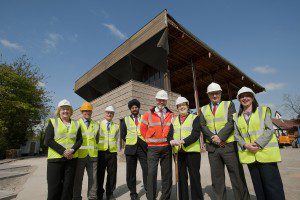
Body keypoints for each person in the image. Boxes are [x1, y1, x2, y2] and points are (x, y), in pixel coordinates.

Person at [199, 82, 250, 200]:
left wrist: (220, 137)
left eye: (217, 93)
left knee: (236, 175)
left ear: (220, 93)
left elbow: (231, 122)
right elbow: (202, 125)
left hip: (228, 146)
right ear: (208, 95)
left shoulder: (229, 104)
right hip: (212, 147)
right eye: (212, 94)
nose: (215, 96)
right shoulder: (203, 109)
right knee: (217, 178)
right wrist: (213, 138)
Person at [234, 86, 285, 200]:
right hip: (250, 155)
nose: (245, 98)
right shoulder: (237, 117)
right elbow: (237, 135)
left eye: (247, 95)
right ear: (239, 100)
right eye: (242, 97)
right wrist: (246, 145)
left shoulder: (262, 110)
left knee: (273, 187)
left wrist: (257, 144)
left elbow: (269, 129)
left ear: (252, 97)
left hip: (265, 154)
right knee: (259, 188)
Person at [44, 99, 83, 200]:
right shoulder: (53, 122)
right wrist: (63, 151)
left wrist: (72, 150)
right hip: (55, 160)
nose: (65, 111)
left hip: (71, 160)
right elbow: (48, 140)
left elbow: (80, 140)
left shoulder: (76, 123)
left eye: (67, 109)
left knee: (68, 188)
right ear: (59, 111)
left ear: (71, 111)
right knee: (54, 188)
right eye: (63, 109)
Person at [140, 90, 174, 200]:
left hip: (167, 148)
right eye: (159, 99)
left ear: (166, 101)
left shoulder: (171, 114)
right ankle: (151, 197)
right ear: (156, 100)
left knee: (167, 174)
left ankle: (165, 197)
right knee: (151, 173)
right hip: (152, 148)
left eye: (163, 100)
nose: (161, 102)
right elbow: (142, 129)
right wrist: (149, 139)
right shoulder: (148, 114)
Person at [168, 96, 204, 200]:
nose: (181, 107)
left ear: (187, 106)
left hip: (192, 152)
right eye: (179, 105)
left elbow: (196, 134)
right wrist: (171, 140)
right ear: (177, 107)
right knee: (181, 178)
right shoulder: (173, 120)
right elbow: (170, 134)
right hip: (178, 153)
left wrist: (183, 141)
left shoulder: (195, 117)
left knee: (194, 177)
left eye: (183, 104)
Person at [120, 99, 148, 200]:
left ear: (138, 108)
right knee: (131, 172)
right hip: (131, 148)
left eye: (136, 107)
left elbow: (148, 131)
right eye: (132, 108)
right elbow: (123, 135)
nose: (134, 109)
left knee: (147, 169)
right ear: (130, 109)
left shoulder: (144, 118)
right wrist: (131, 141)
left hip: (143, 148)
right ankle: (133, 193)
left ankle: (148, 189)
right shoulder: (125, 120)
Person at [73, 102, 99, 200]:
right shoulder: (76, 124)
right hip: (80, 155)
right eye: (85, 111)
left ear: (91, 112)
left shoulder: (96, 124)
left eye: (89, 111)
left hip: (93, 156)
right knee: (78, 179)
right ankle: (76, 197)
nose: (87, 112)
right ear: (82, 112)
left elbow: (97, 139)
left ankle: (92, 197)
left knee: (93, 179)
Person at [97, 106, 119, 200]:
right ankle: (99, 193)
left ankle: (110, 193)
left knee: (112, 174)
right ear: (104, 113)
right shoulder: (98, 124)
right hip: (101, 152)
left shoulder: (116, 126)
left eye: (111, 113)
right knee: (100, 174)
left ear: (113, 115)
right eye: (107, 112)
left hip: (112, 153)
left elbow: (116, 139)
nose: (109, 114)